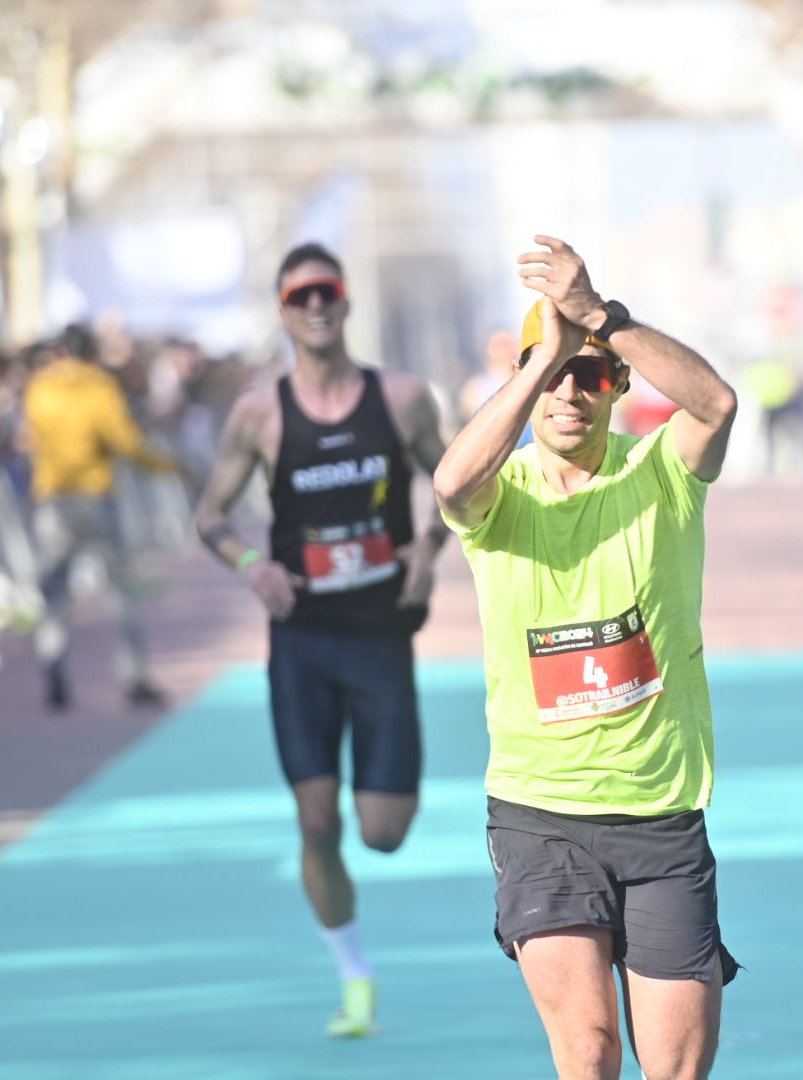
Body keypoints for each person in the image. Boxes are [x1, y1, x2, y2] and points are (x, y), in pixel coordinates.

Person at [433, 235, 740, 1080]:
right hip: (540, 812)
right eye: (555, 375)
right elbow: (452, 485)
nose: (572, 392)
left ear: (620, 387)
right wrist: (549, 354)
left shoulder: (661, 477)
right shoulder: (504, 498)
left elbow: (715, 404)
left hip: (660, 811)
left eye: (593, 374)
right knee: (590, 1053)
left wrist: (600, 316)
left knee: (674, 1070)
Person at [192, 241, 450, 1039]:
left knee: (382, 833)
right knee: (314, 822)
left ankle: (361, 931)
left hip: (379, 637)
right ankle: (354, 979)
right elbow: (209, 516)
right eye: (299, 296)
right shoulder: (259, 413)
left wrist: (425, 548)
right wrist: (249, 565)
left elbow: (456, 485)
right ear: (282, 311)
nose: (315, 307)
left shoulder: (401, 398)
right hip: (301, 640)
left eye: (325, 292)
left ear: (344, 301)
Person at [23, 322, 178, 711]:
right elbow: (124, 441)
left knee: (55, 592)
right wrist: (164, 465)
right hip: (95, 495)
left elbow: (32, 439)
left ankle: (53, 666)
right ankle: (134, 675)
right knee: (119, 589)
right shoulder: (99, 388)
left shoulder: (40, 390)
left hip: (53, 499)